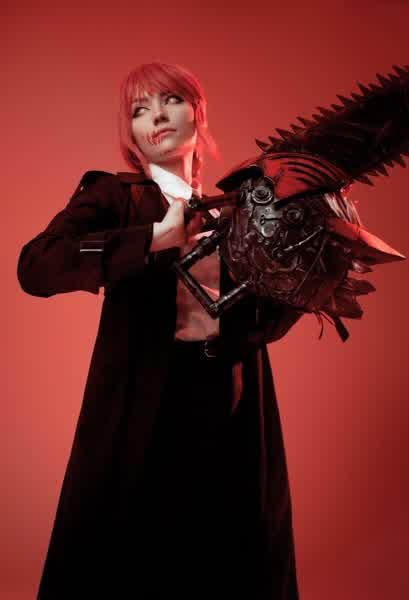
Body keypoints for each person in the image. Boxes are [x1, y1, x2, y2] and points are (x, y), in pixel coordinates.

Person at [17, 62, 301, 599]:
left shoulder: (240, 210)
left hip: (230, 396)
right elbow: (35, 266)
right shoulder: (114, 196)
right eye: (139, 110)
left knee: (228, 551)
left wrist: (313, 275)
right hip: (147, 397)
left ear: (198, 112)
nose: (155, 118)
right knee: (136, 551)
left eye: (169, 100)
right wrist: (152, 237)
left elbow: (262, 321)